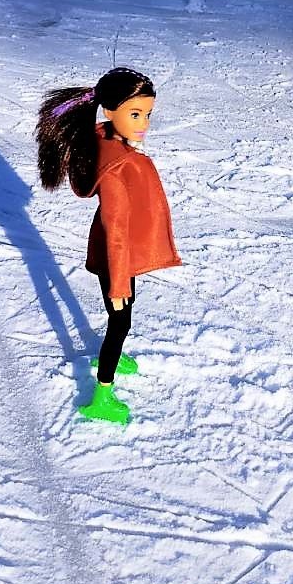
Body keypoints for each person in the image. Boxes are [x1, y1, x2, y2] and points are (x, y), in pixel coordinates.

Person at [36, 67, 182, 424]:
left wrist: (127, 144)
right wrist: (118, 281)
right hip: (116, 256)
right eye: (135, 114)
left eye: (147, 114)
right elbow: (115, 230)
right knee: (121, 323)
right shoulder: (117, 169)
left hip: (118, 253)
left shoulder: (111, 146)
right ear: (109, 112)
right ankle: (102, 394)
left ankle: (107, 358)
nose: (144, 122)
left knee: (122, 318)